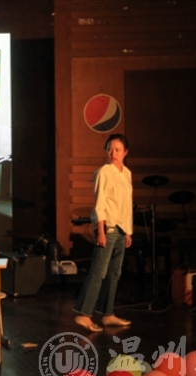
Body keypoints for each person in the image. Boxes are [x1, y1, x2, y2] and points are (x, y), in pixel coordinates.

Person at [74, 133, 133, 332]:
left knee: (114, 272)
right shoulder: (103, 172)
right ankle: (84, 314)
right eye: (110, 149)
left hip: (121, 228)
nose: (113, 153)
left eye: (117, 149)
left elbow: (126, 205)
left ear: (125, 152)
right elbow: (100, 204)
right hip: (107, 227)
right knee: (98, 271)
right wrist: (100, 231)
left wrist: (128, 231)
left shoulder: (127, 173)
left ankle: (108, 313)